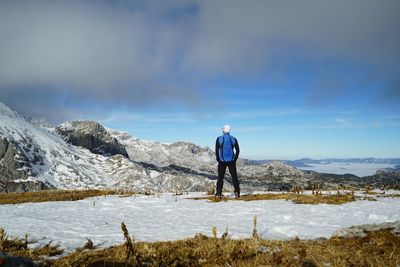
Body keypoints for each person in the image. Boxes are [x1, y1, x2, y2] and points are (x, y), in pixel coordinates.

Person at [215, 124, 240, 198]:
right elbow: (238, 150)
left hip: (222, 161)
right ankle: (237, 192)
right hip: (231, 161)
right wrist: (234, 159)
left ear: (224, 130)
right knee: (234, 177)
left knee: (220, 177)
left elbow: (216, 150)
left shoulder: (219, 138)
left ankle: (219, 193)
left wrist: (218, 159)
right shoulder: (233, 139)